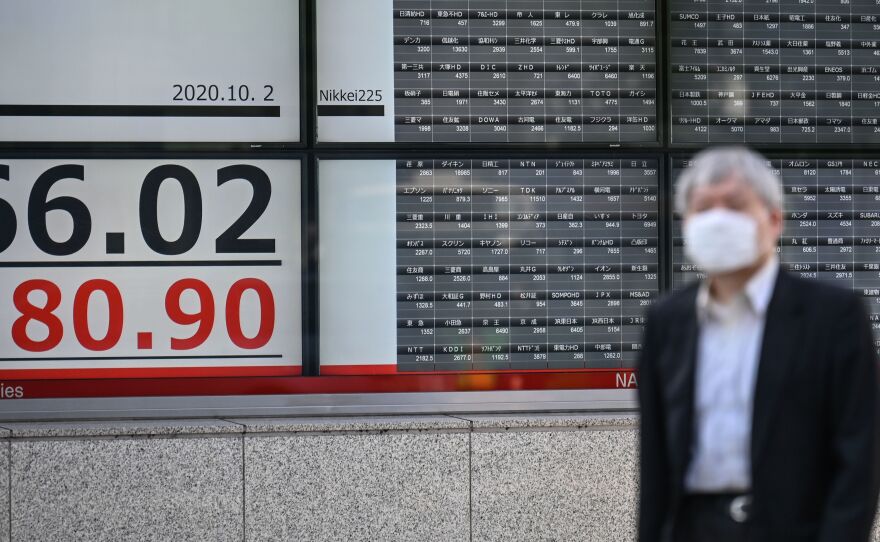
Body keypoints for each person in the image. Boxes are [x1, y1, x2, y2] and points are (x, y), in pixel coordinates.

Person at [637, 146, 880, 542]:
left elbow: (858, 459)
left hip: (795, 528)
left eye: (734, 205)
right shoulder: (666, 322)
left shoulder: (834, 316)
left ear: (773, 219)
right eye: (703, 208)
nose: (717, 219)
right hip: (695, 528)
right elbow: (656, 466)